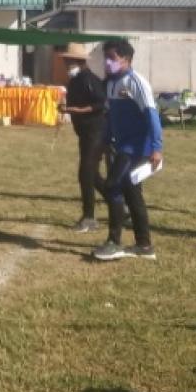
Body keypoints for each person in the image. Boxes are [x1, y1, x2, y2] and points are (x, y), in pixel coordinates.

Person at [93, 40, 163, 262]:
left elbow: (152, 115)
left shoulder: (136, 83)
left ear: (127, 59)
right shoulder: (111, 83)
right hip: (121, 145)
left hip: (137, 147)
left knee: (113, 186)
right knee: (132, 194)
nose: (107, 62)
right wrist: (105, 141)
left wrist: (157, 147)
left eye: (112, 58)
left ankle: (114, 241)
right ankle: (144, 245)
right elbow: (110, 116)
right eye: (106, 57)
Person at [57, 44, 108, 233]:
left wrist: (76, 110)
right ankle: (118, 203)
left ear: (77, 61)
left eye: (67, 60)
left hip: (96, 132)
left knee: (85, 173)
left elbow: (100, 104)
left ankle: (89, 217)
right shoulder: (75, 80)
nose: (65, 63)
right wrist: (65, 108)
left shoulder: (89, 79)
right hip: (85, 133)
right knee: (92, 174)